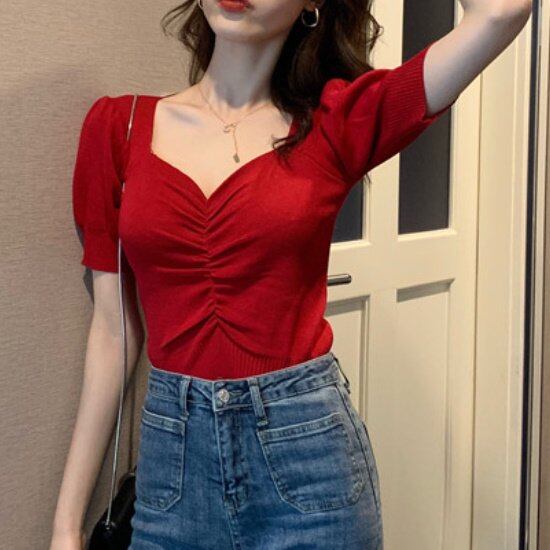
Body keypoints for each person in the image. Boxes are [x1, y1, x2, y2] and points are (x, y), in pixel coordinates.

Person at [51, 0, 532, 548]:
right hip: (172, 474)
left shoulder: (337, 124)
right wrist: (66, 525)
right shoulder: (119, 127)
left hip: (309, 470)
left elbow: (500, 13)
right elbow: (114, 333)